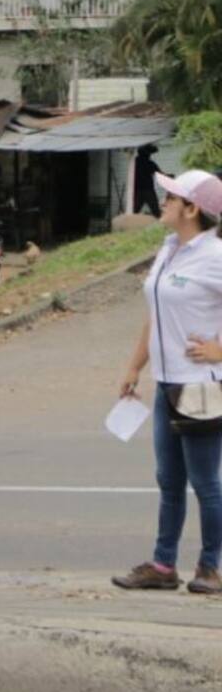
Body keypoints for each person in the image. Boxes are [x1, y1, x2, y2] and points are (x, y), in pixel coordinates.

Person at [113, 169, 222, 594]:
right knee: (169, 479)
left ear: (192, 209)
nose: (163, 201)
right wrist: (133, 367)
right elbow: (156, 316)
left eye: (172, 196)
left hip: (200, 385)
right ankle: (163, 566)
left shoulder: (214, 256)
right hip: (165, 383)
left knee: (206, 484)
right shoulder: (169, 248)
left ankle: (210, 568)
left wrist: (220, 351)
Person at [133, 144, 162, 217]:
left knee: (134, 210)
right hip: (147, 190)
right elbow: (161, 174)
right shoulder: (150, 163)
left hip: (137, 190)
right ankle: (161, 225)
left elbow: (160, 174)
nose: (150, 155)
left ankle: (129, 224)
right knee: (156, 211)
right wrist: (170, 177)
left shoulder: (134, 162)